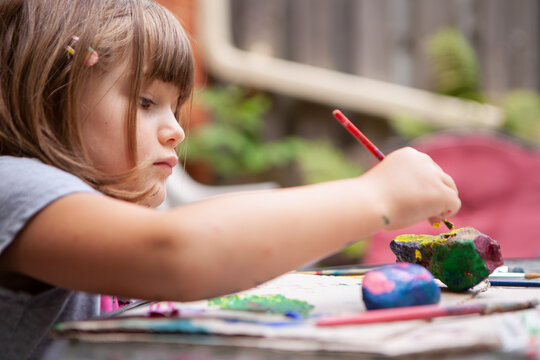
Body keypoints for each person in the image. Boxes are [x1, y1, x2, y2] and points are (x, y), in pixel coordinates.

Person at [0, 0, 461, 358]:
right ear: (51, 94)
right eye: (145, 102)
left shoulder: (91, 211)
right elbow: (175, 253)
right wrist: (377, 194)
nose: (176, 130)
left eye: (175, 107)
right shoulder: (14, 186)